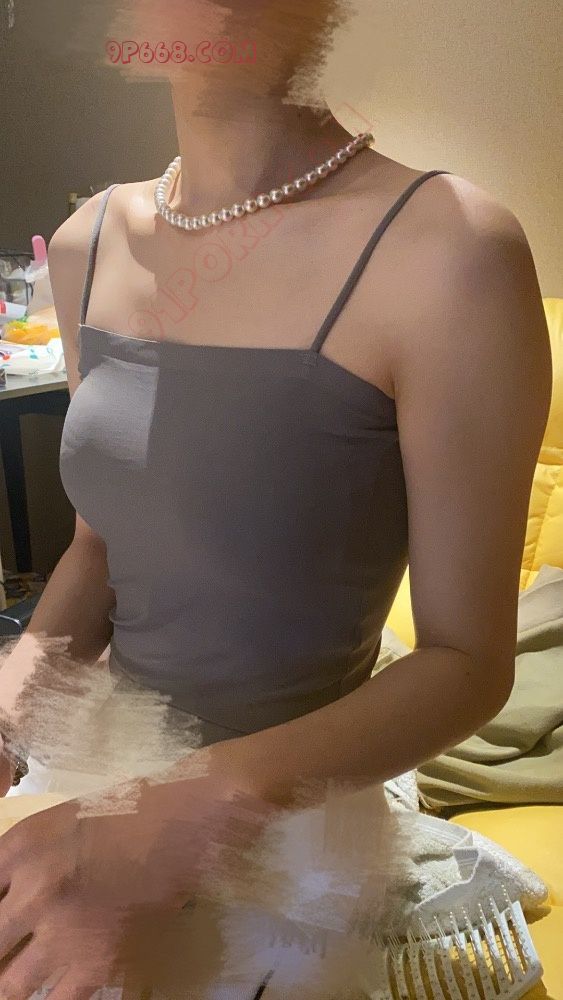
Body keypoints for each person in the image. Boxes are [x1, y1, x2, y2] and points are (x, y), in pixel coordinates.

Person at [0, 1, 552, 997]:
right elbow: (99, 549)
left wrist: (170, 819)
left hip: (289, 808)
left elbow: (466, 663)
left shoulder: (448, 249)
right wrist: (12, 700)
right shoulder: (89, 242)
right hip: (96, 769)